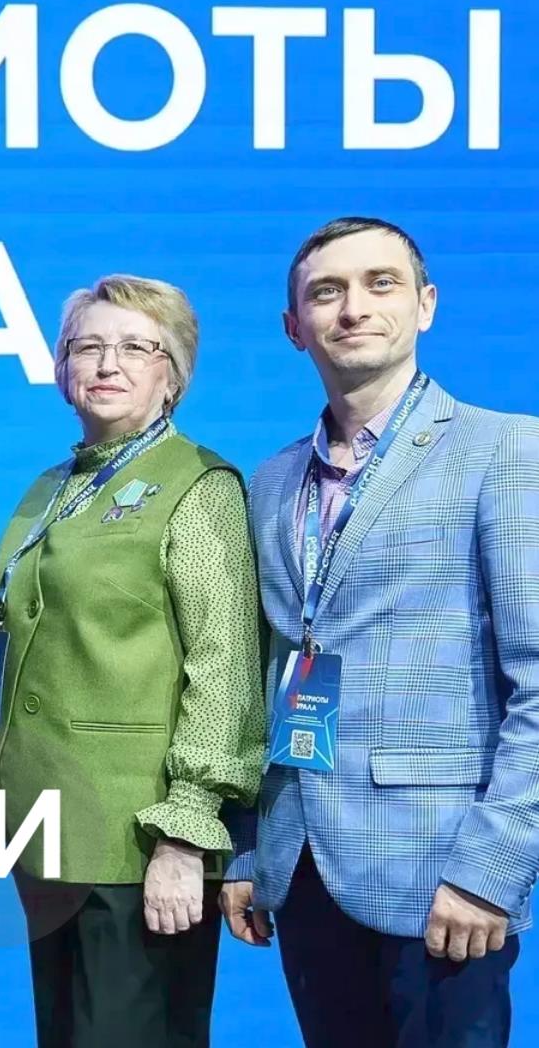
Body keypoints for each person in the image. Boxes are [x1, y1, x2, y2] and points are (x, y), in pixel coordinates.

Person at [219, 217, 539, 1046]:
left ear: (425, 305)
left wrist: (491, 870)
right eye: (325, 292)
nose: (352, 308)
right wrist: (248, 848)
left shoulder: (504, 450)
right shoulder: (271, 480)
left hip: (442, 876)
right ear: (293, 328)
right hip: (301, 868)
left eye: (379, 283)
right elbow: (264, 673)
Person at [0, 275, 266, 1045]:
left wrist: (184, 834)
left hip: (138, 837)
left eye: (136, 347)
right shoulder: (50, 486)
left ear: (173, 375)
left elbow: (226, 667)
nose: (107, 363)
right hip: (47, 830)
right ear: (61, 366)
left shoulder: (198, 486)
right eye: (88, 346)